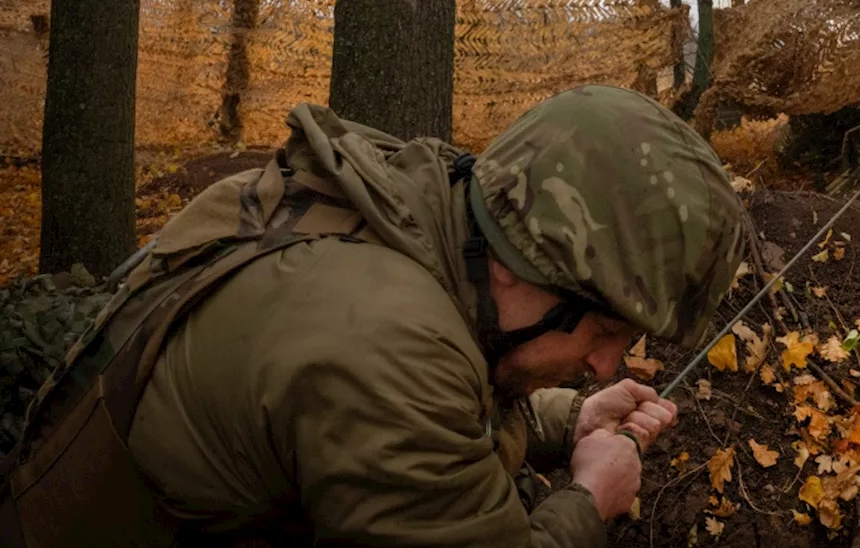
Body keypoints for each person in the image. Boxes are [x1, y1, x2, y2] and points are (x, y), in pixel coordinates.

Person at [0, 85, 747, 547]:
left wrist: (562, 424)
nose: (607, 365)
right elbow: (401, 395)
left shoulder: (405, 205)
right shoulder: (384, 348)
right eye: (607, 332)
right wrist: (588, 503)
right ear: (537, 273)